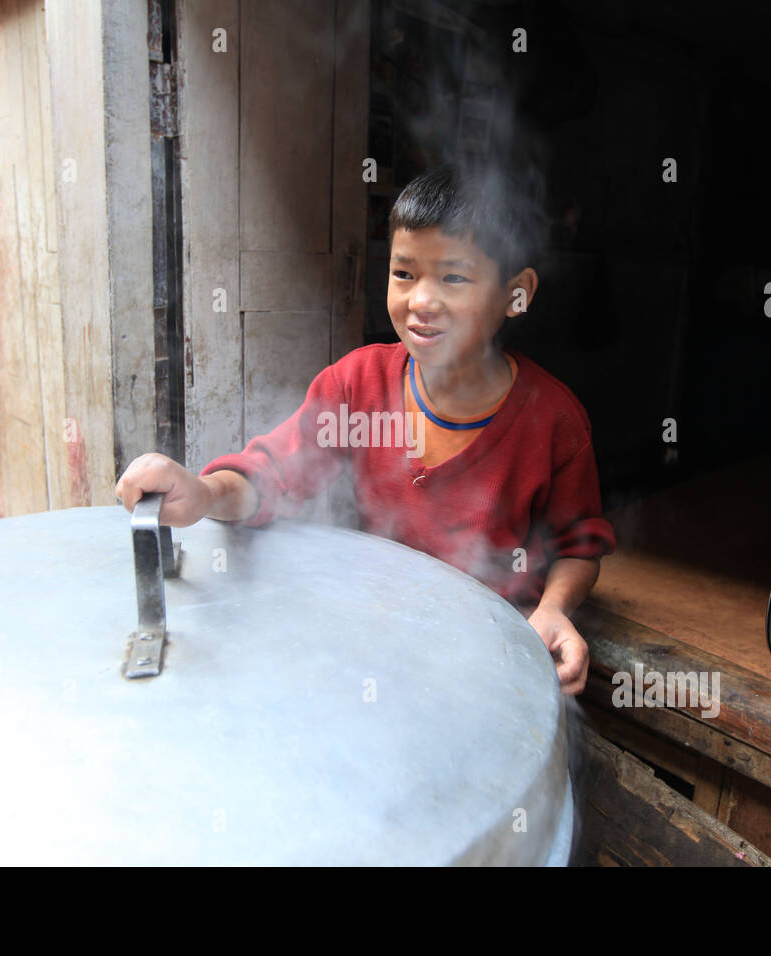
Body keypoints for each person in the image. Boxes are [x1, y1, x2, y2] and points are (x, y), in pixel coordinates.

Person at [116, 164, 615, 694]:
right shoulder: (360, 384)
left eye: (454, 277)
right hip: (381, 640)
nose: (421, 300)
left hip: (490, 658)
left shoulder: (553, 420)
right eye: (404, 274)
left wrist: (554, 610)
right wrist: (202, 491)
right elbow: (275, 474)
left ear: (517, 293)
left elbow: (578, 546)